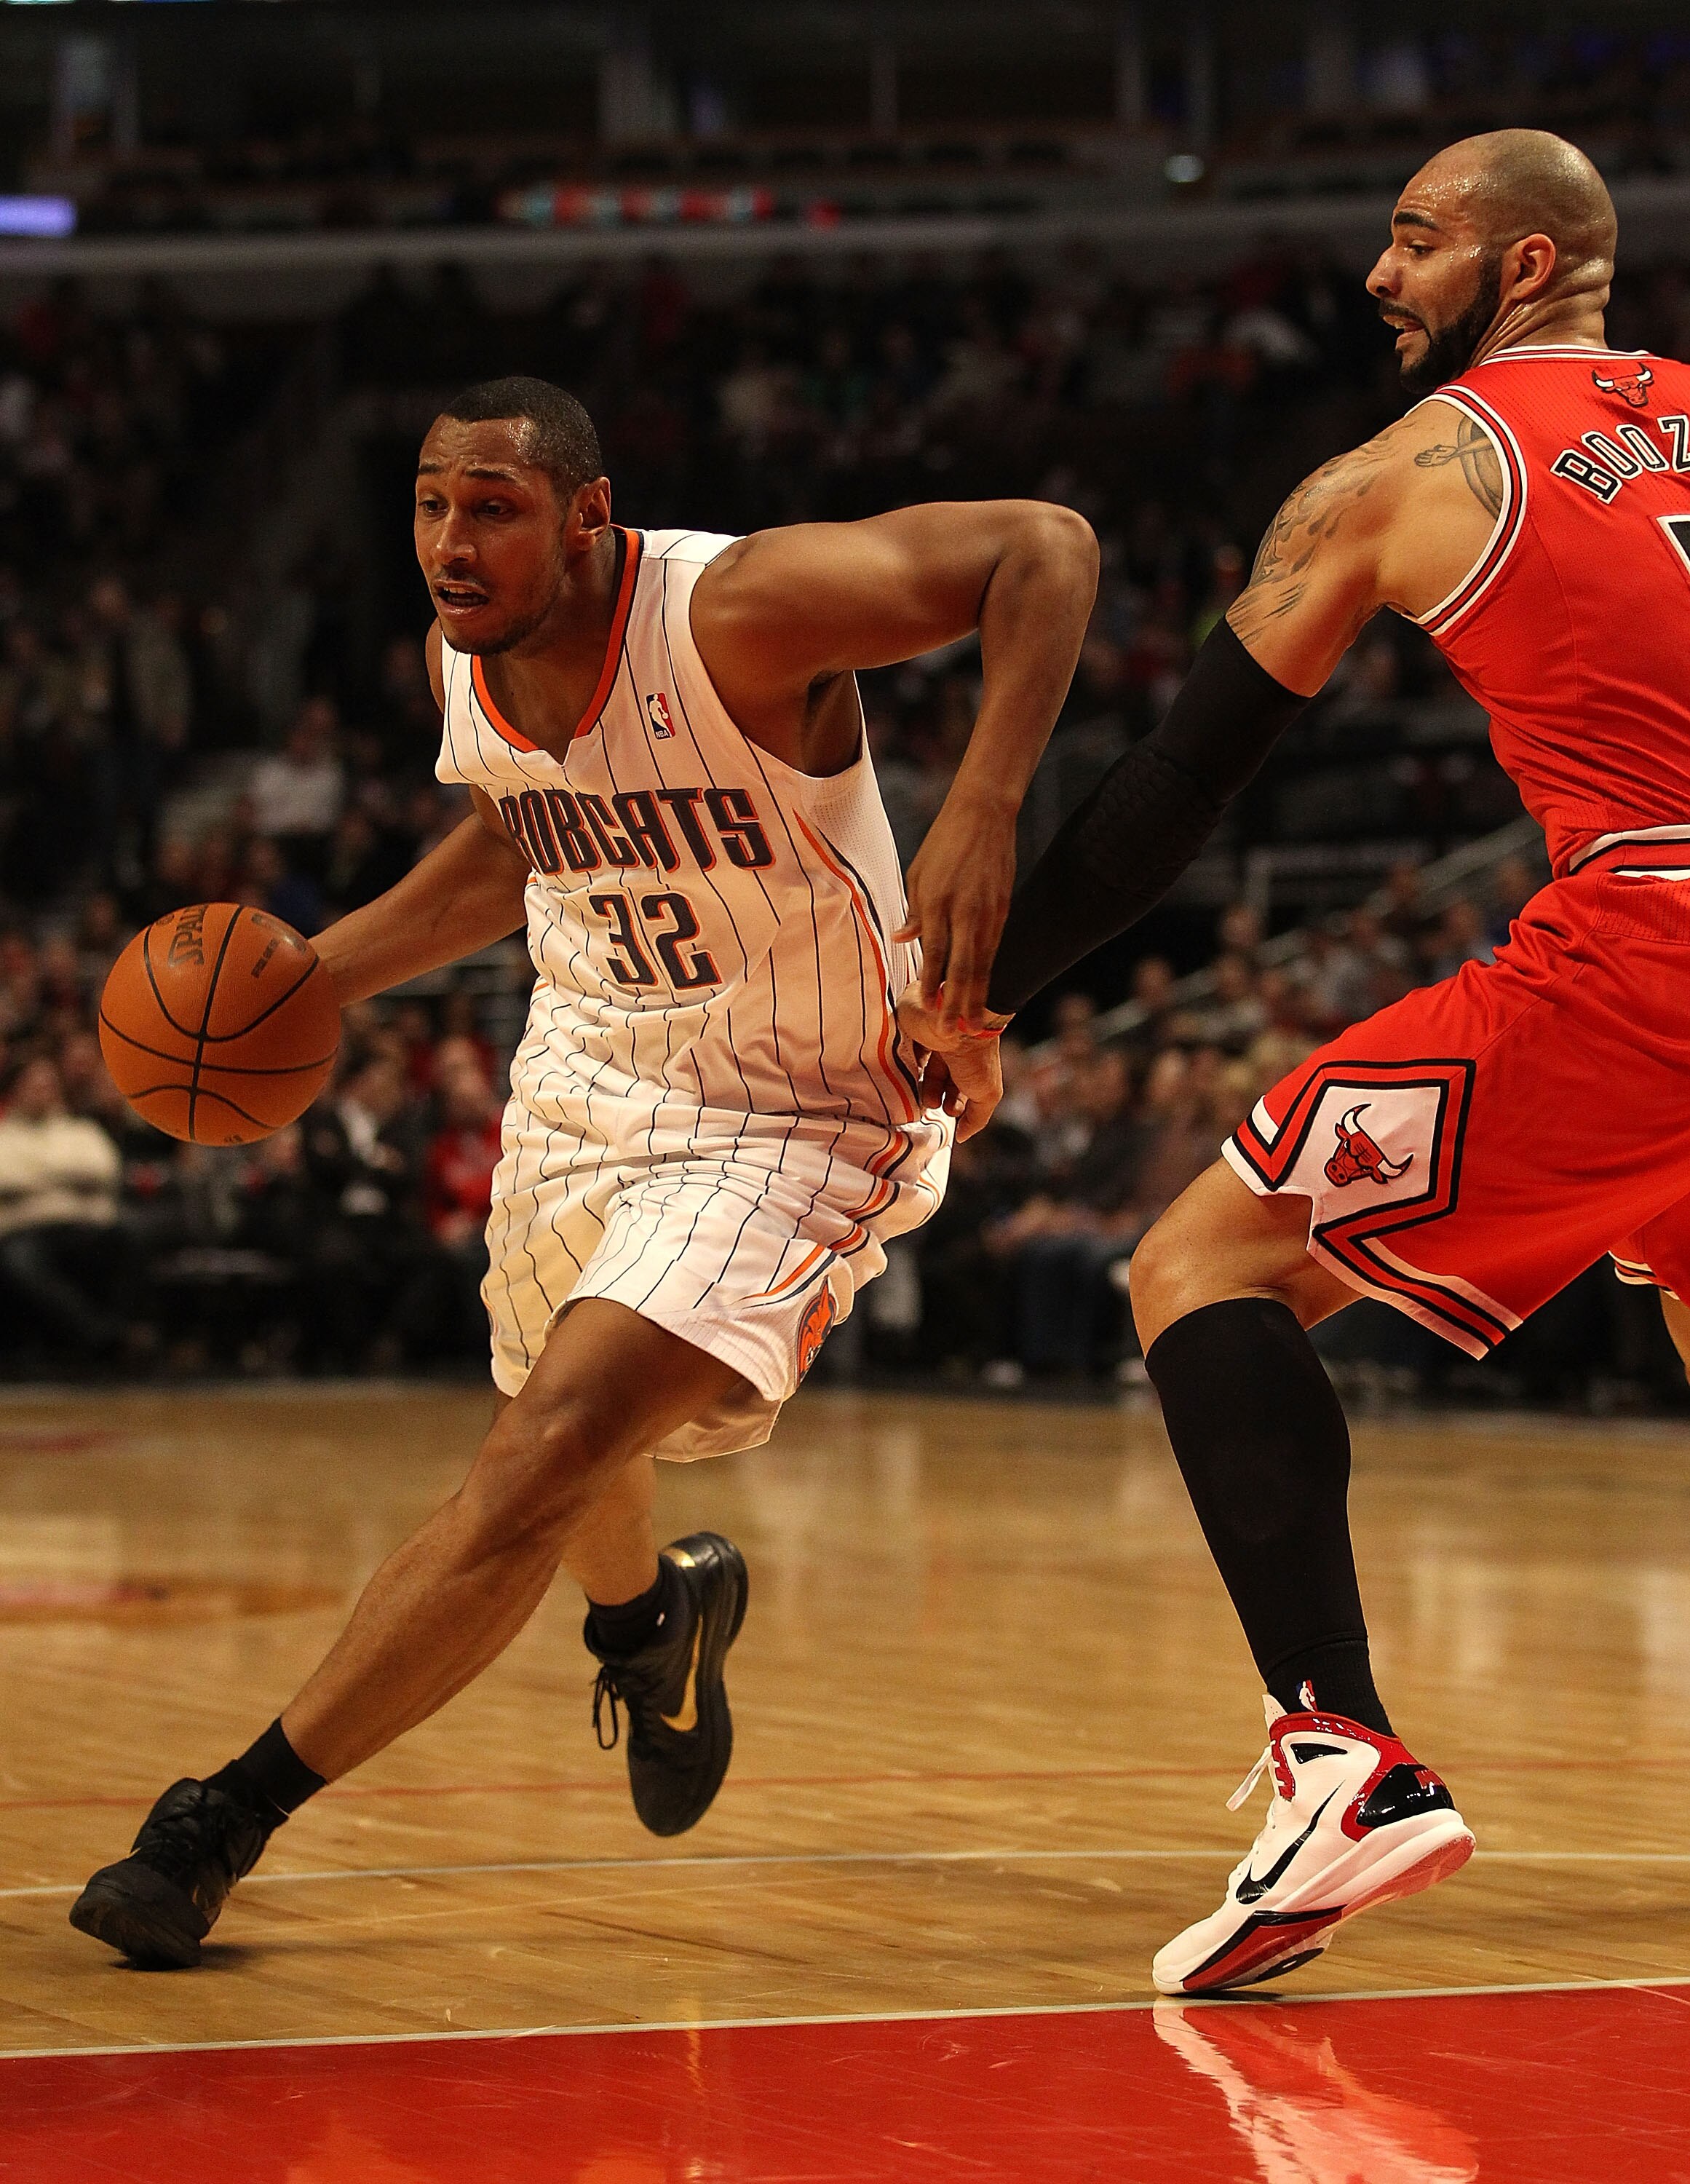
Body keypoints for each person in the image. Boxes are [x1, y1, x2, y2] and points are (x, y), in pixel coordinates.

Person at [70, 373, 1092, 1968]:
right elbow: (517, 832)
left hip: (797, 1109)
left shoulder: (737, 614)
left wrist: (985, 804)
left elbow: (1046, 547)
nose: (450, 544)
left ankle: (221, 1821)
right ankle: (650, 1627)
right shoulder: (460, 663)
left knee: (541, 1452)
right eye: (429, 505)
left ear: (587, 515)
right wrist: (321, 978)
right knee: (561, 1435)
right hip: (584, 1075)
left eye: (492, 507)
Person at [915, 129, 1690, 1993]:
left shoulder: (1406, 473)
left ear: (1519, 269)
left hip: (1657, 934)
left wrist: (976, 989)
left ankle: (1339, 1754)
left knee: (1201, 1260)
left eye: (1414, 240)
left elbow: (1176, 792)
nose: (1374, 274)